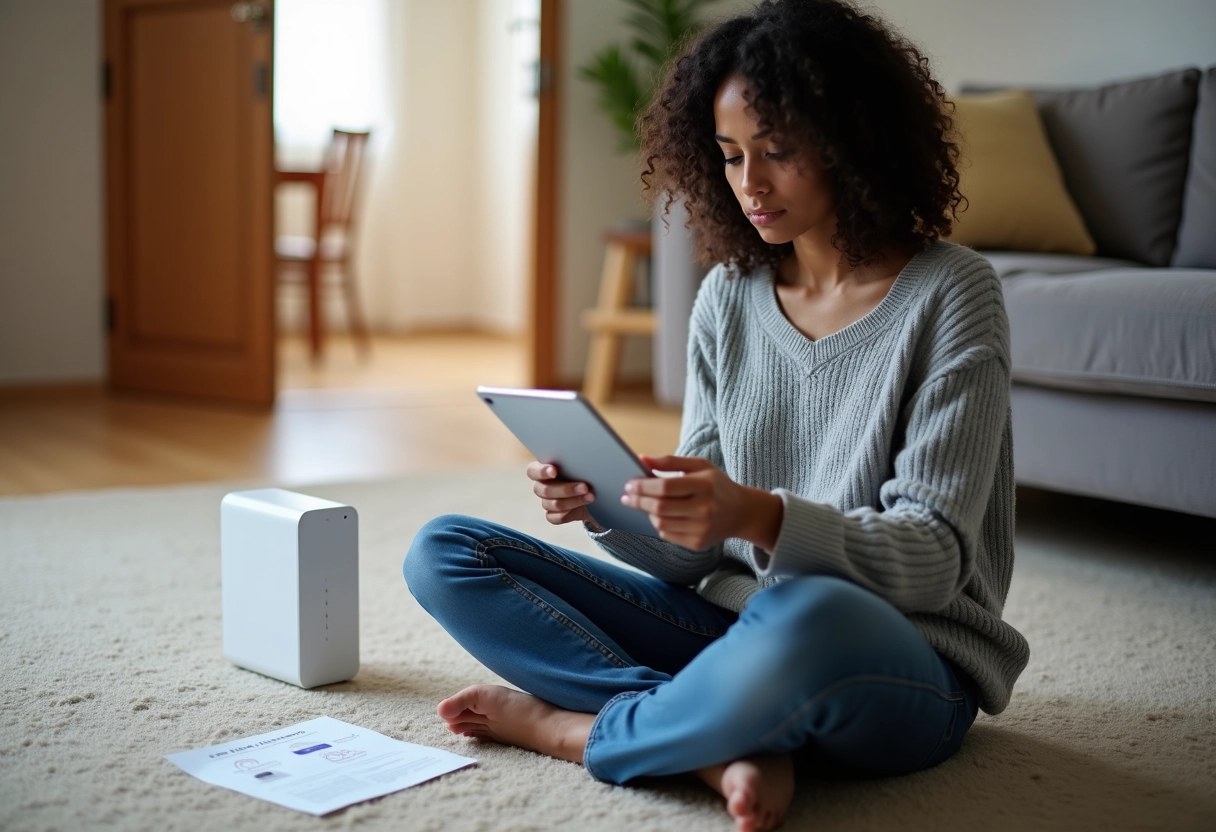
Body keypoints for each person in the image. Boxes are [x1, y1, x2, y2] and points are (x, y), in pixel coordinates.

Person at [403, 1, 1029, 829]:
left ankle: (582, 731)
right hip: (733, 629)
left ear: (854, 140)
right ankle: (720, 735)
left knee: (805, 609)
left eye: (778, 152)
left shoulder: (953, 294)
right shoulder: (726, 301)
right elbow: (694, 560)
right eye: (730, 156)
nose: (750, 184)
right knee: (446, 551)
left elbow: (935, 558)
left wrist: (759, 515)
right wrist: (609, 505)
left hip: (900, 657)